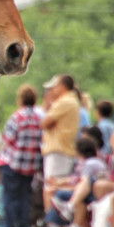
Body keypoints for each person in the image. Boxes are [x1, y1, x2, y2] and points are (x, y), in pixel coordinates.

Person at [0, 84, 43, 227]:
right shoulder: (40, 118)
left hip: (13, 163)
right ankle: (23, 225)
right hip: (30, 165)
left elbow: (8, 140)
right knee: (25, 196)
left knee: (10, 196)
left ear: (21, 99)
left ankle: (9, 225)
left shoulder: (17, 117)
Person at [39, 74, 80, 212]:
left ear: (62, 86)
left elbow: (44, 123)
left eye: (54, 87)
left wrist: (50, 104)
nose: (52, 90)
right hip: (62, 151)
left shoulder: (65, 101)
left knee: (52, 187)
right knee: (57, 186)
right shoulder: (70, 101)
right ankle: (55, 220)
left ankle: (52, 220)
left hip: (58, 151)